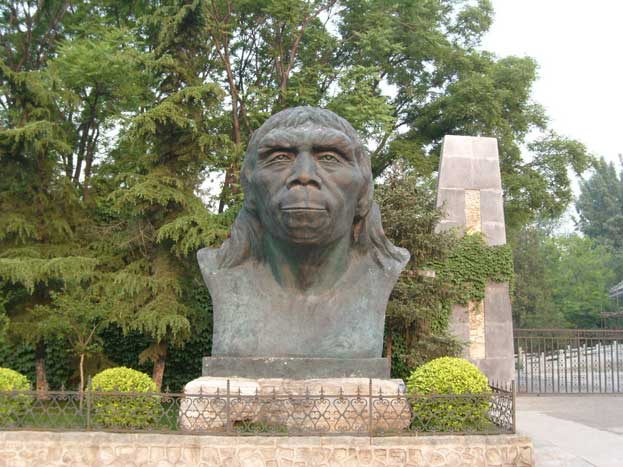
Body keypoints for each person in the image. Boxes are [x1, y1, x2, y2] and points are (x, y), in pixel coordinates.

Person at [198, 106, 409, 359]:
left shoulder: (383, 271)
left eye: (330, 157)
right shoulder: (219, 272)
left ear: (364, 189)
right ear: (250, 187)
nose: (304, 175)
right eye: (279, 157)